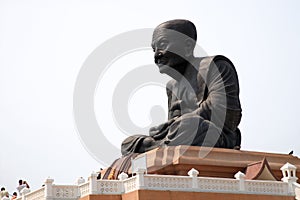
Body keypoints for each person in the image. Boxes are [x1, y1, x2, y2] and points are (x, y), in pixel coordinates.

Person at [121, 19, 242, 155]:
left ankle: (155, 149)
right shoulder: (171, 86)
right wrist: (165, 129)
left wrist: (178, 123)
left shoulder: (216, 66)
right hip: (181, 135)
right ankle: (159, 147)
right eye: (154, 49)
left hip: (214, 135)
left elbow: (225, 112)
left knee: (188, 124)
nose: (156, 55)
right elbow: (173, 126)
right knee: (128, 143)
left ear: (188, 46)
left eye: (163, 45)